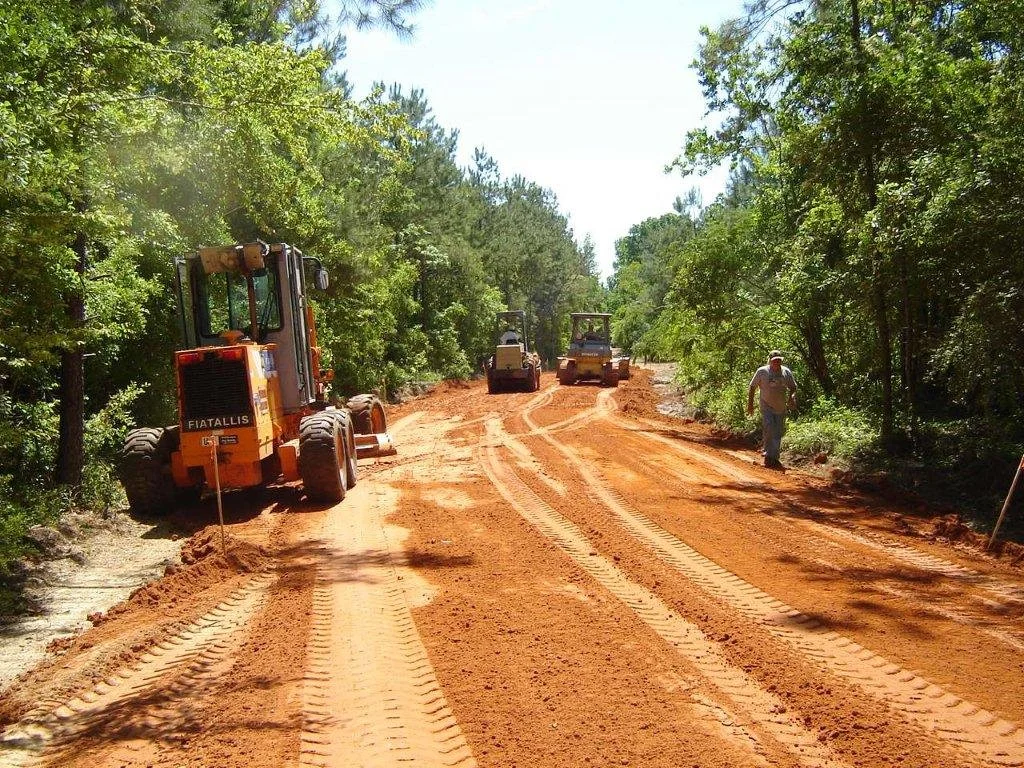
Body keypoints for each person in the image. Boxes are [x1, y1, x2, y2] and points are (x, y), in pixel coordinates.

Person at [746, 350, 797, 469]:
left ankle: (774, 456)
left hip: (780, 406)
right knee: (769, 427)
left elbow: (793, 387)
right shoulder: (762, 371)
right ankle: (769, 455)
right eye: (774, 360)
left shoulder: (786, 372)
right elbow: (752, 386)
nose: (777, 362)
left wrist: (792, 397)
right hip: (766, 405)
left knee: (778, 432)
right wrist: (750, 404)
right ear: (770, 361)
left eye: (779, 360)